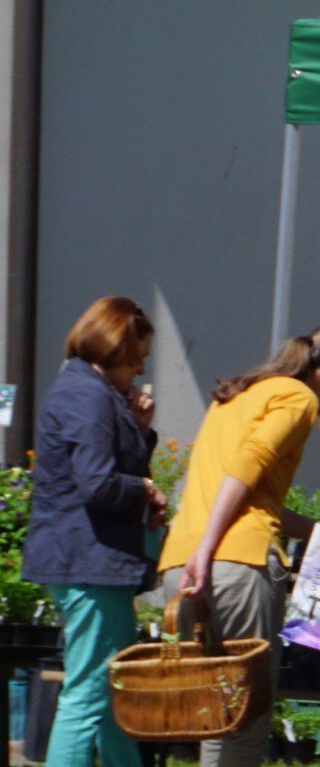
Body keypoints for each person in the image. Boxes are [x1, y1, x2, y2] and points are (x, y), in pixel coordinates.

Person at [157, 324, 320, 767]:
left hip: (181, 562)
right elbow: (248, 464)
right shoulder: (298, 397)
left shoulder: (236, 395)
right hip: (236, 564)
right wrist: (210, 547)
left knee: (215, 710)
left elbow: (247, 497)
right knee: (247, 716)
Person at [27, 297, 164, 767]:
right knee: (88, 695)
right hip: (91, 561)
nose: (140, 370)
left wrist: (139, 431)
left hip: (88, 560)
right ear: (114, 350)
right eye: (137, 359)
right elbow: (97, 483)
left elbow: (97, 471)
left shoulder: (85, 389)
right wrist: (144, 489)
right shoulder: (88, 394)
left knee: (111, 689)